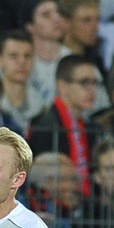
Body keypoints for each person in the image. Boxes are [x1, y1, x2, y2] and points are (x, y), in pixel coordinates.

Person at [28, 54, 101, 196]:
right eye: (84, 83)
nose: (91, 90)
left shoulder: (88, 127)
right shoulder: (47, 125)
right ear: (62, 86)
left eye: (94, 83)